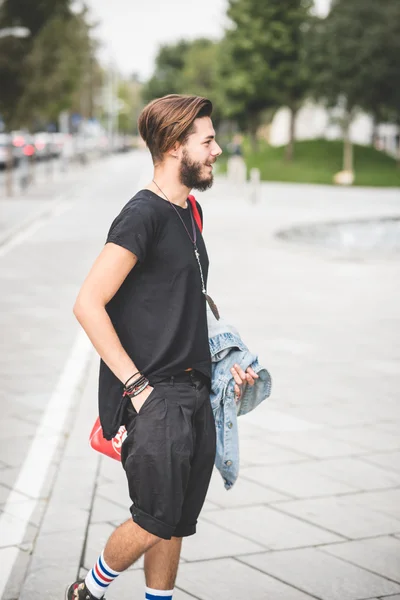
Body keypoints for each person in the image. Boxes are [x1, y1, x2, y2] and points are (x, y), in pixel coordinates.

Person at [66, 94, 257, 600]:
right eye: (208, 140)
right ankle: (86, 592)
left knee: (174, 524)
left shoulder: (188, 212)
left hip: (194, 389)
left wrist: (226, 365)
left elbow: (183, 303)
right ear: (176, 146)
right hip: (155, 395)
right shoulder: (142, 215)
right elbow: (88, 303)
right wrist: (138, 389)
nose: (218, 149)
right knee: (154, 518)